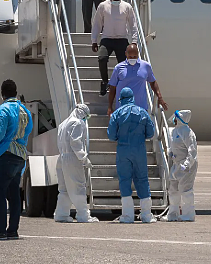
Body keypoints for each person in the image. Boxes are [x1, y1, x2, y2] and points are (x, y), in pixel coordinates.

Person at [0, 80, 33, 240]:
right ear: (16, 92)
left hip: (6, 155)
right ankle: (13, 230)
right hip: (20, 156)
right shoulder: (25, 111)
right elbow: (28, 130)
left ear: (2, 93)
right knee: (14, 195)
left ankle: (0, 230)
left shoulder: (2, 110)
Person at [107, 88, 157, 223]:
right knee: (142, 179)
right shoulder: (142, 112)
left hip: (123, 150)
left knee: (124, 180)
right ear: (133, 98)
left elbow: (111, 136)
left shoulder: (116, 114)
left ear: (121, 99)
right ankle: (146, 215)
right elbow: (151, 133)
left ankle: (127, 216)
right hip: (139, 150)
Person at [54, 103, 99, 223]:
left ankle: (61, 214)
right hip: (72, 158)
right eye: (86, 116)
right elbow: (75, 142)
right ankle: (83, 215)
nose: (86, 119)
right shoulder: (78, 123)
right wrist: (84, 158)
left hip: (62, 157)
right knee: (79, 186)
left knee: (64, 188)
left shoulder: (63, 123)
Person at [91, 0, 139, 96]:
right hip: (107, 39)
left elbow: (133, 25)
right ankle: (104, 81)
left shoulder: (127, 7)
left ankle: (121, 84)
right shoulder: (103, 6)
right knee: (102, 58)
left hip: (121, 39)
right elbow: (97, 24)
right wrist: (94, 40)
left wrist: (134, 41)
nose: (116, 0)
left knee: (124, 65)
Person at [107, 44, 168, 116]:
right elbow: (112, 88)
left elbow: (153, 82)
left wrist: (160, 97)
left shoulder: (146, 66)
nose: (132, 58)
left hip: (140, 109)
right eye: (130, 57)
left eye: (134, 57)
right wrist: (110, 107)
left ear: (138, 54)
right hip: (123, 110)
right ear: (126, 54)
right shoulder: (118, 68)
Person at [164, 110, 198, 222]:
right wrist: (170, 153)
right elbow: (174, 146)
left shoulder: (187, 132)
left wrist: (187, 164)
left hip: (186, 166)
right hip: (176, 164)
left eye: (176, 117)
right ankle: (173, 214)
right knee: (173, 189)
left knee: (186, 189)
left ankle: (189, 215)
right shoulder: (175, 131)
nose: (174, 119)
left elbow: (192, 150)